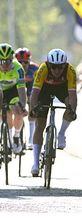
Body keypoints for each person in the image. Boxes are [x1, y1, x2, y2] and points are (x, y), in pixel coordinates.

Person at [29, 48, 77, 176]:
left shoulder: (70, 70)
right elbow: (34, 93)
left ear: (65, 65)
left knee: (70, 107)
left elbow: (72, 95)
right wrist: (34, 108)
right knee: (40, 125)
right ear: (49, 64)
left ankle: (61, 134)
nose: (57, 70)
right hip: (44, 89)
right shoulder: (43, 68)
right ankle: (35, 162)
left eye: (60, 67)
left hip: (62, 89)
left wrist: (72, 110)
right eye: (54, 67)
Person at [0, 43, 28, 168]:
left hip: (12, 92)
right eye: (2, 61)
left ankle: (16, 137)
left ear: (13, 59)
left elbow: (22, 89)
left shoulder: (18, 68)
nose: (5, 64)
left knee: (17, 111)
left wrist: (23, 106)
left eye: (8, 61)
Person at [15, 47, 39, 149]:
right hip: (17, 88)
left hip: (30, 88)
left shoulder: (35, 69)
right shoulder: (14, 68)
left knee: (32, 106)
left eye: (25, 62)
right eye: (20, 62)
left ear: (29, 61)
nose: (23, 65)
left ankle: (31, 139)